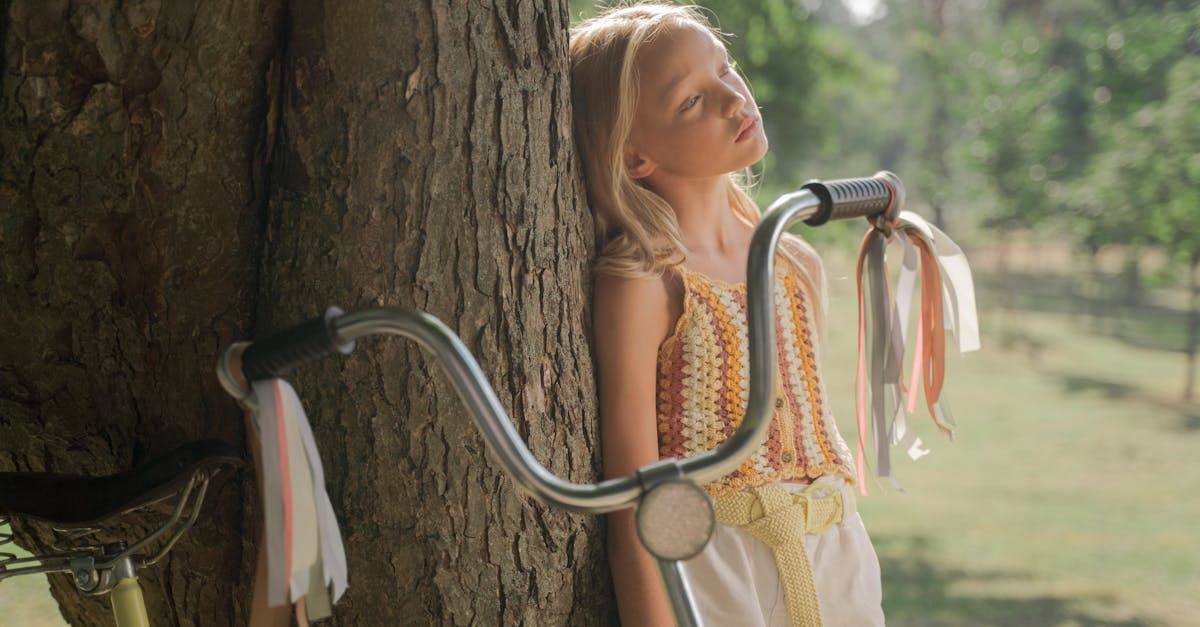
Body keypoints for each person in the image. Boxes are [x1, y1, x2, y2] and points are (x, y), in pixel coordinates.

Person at [569, 3, 885, 626]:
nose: (733, 99)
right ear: (635, 156)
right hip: (720, 566)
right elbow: (633, 494)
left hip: (837, 551)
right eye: (690, 101)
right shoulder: (647, 281)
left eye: (726, 69)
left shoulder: (794, 264)